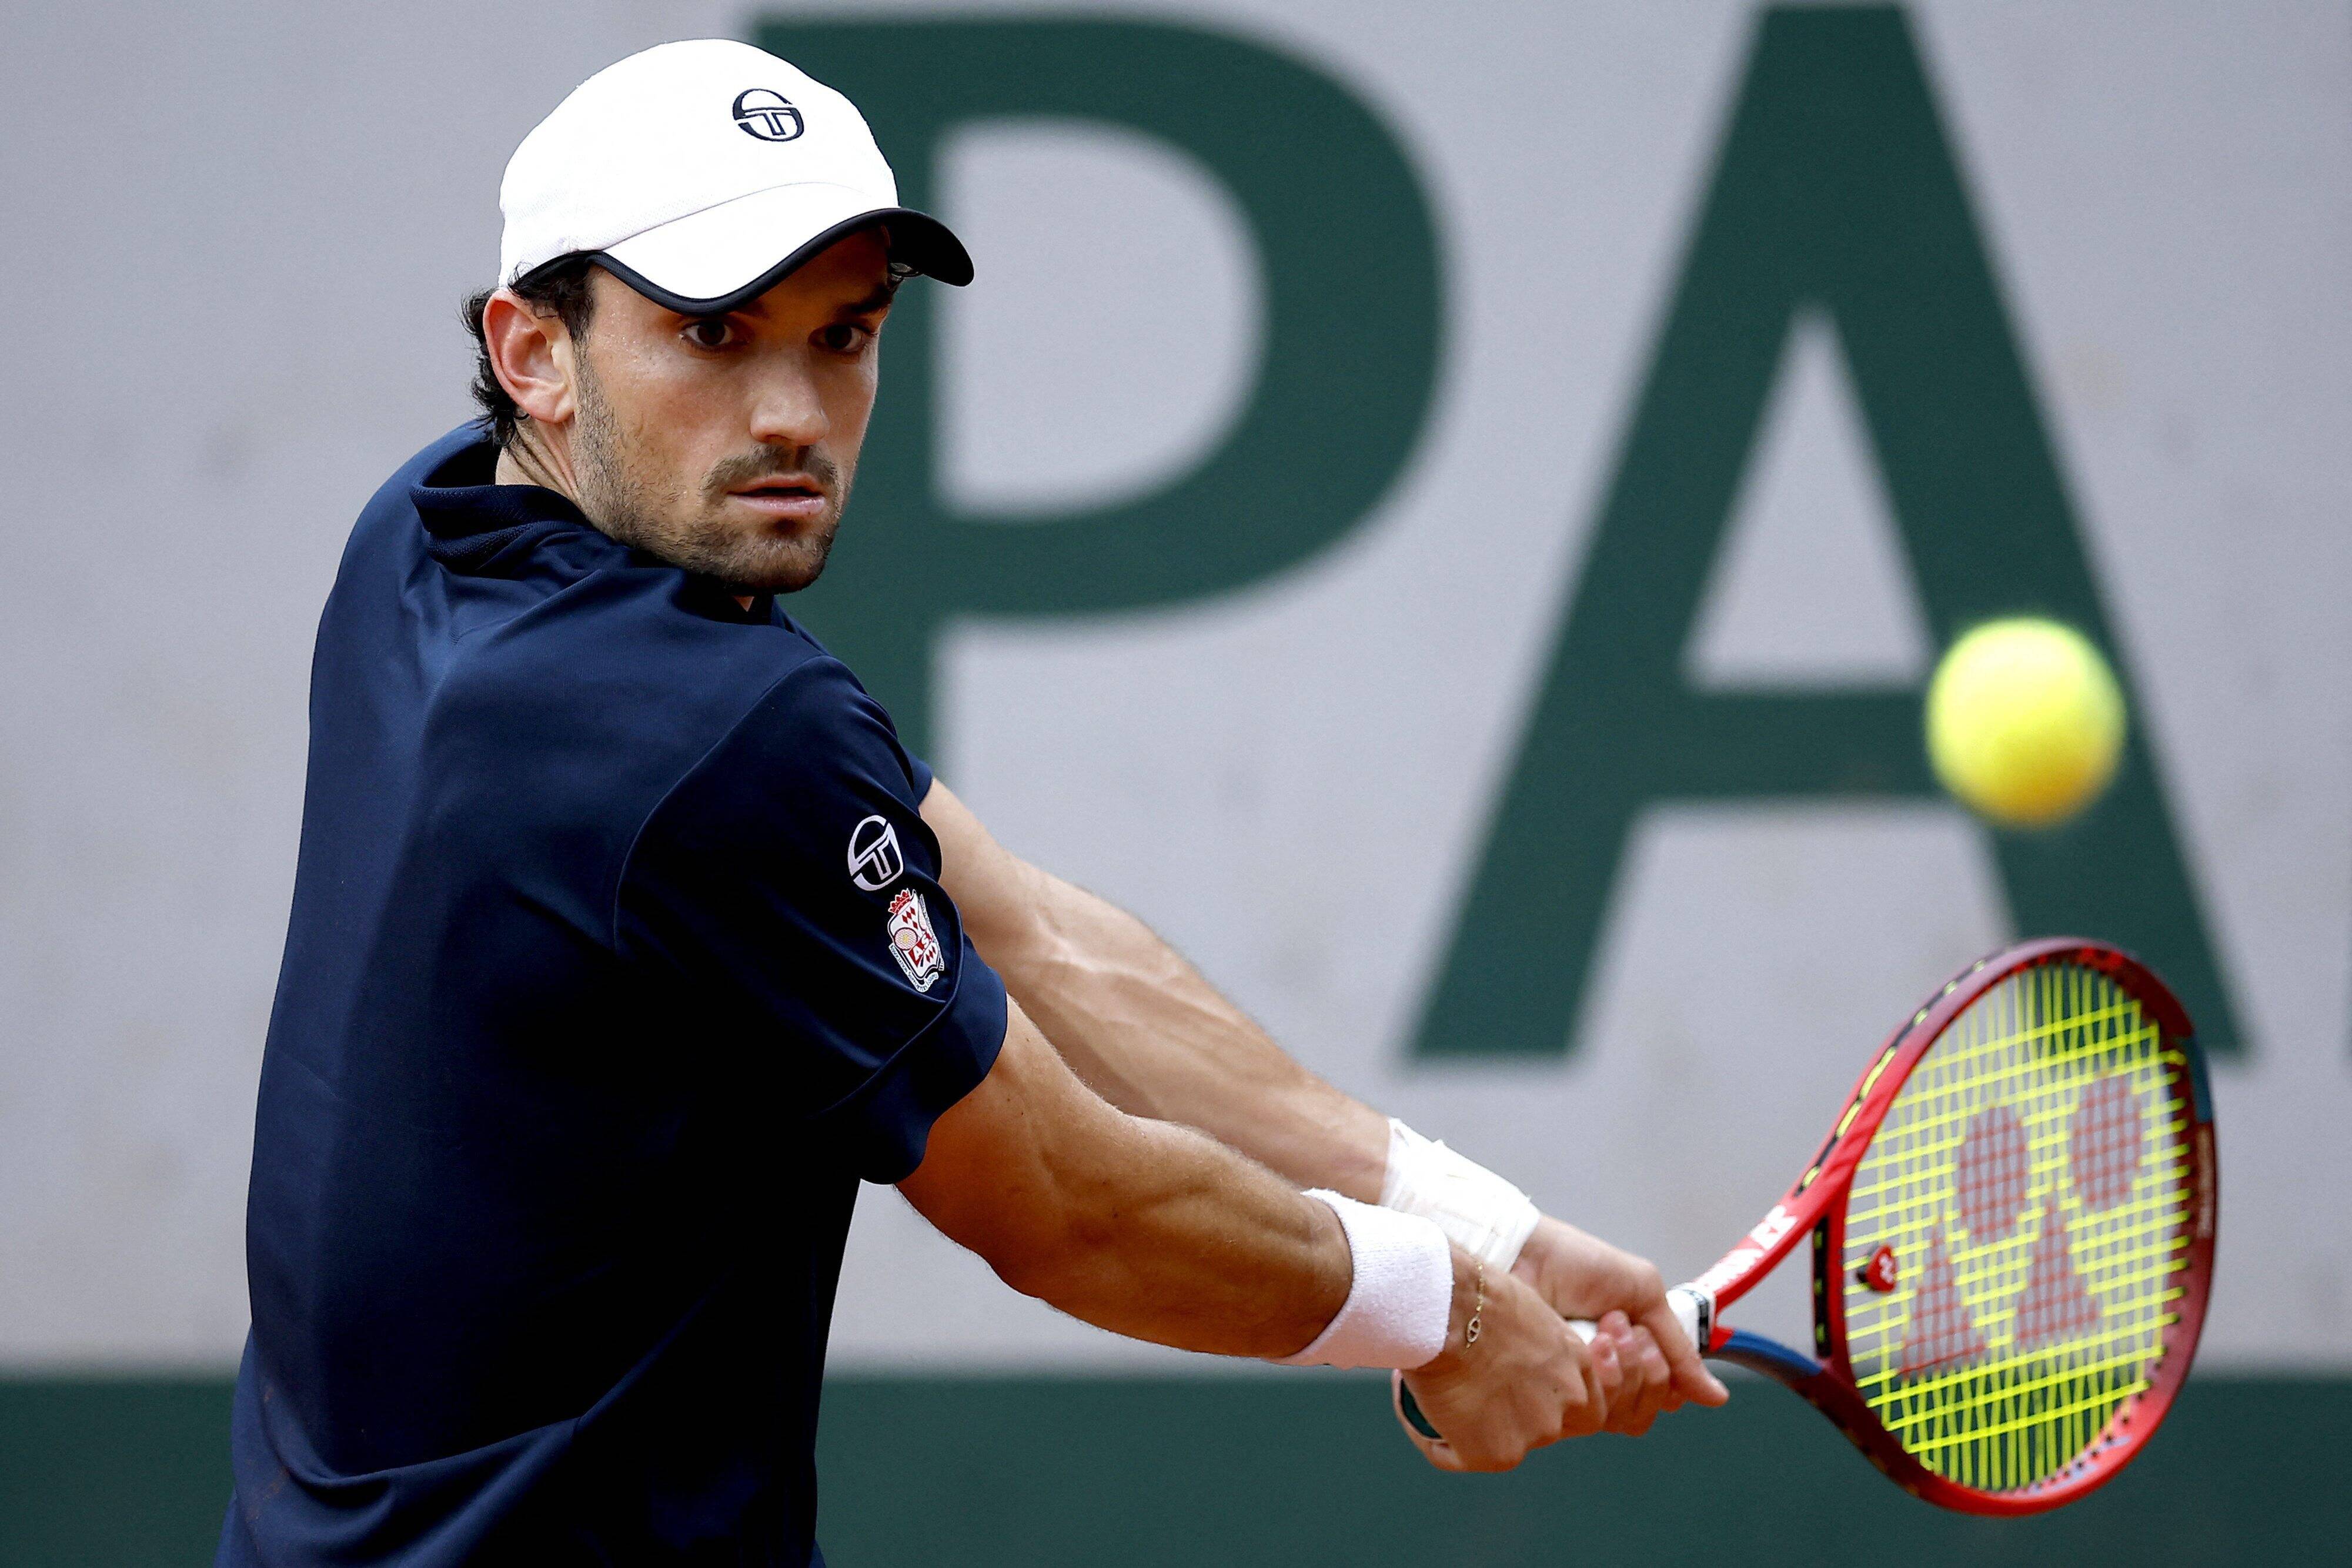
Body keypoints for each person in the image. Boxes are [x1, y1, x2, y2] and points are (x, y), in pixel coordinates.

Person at [220, 38, 1725, 1567]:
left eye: (844, 334)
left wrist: (1486, 1226)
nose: (796, 411)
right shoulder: (712, 734)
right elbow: (1071, 1205)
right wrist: (1446, 1313)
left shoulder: (422, 537)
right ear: (534, 346)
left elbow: (1036, 937)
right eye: (717, 334)